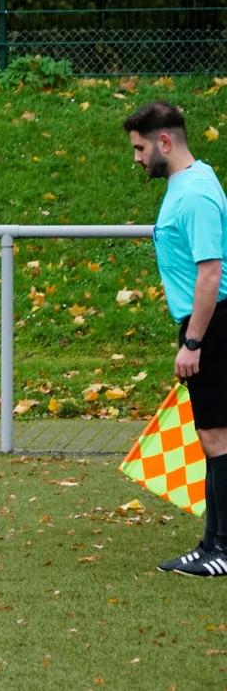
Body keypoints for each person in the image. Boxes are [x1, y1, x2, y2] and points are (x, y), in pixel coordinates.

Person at [124, 100, 227, 577]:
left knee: (216, 437)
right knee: (212, 437)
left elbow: (211, 273)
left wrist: (194, 342)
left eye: (140, 148)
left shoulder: (196, 193)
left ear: (164, 142)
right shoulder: (188, 183)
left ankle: (221, 549)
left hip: (215, 323)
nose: (137, 158)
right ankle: (211, 545)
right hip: (207, 322)